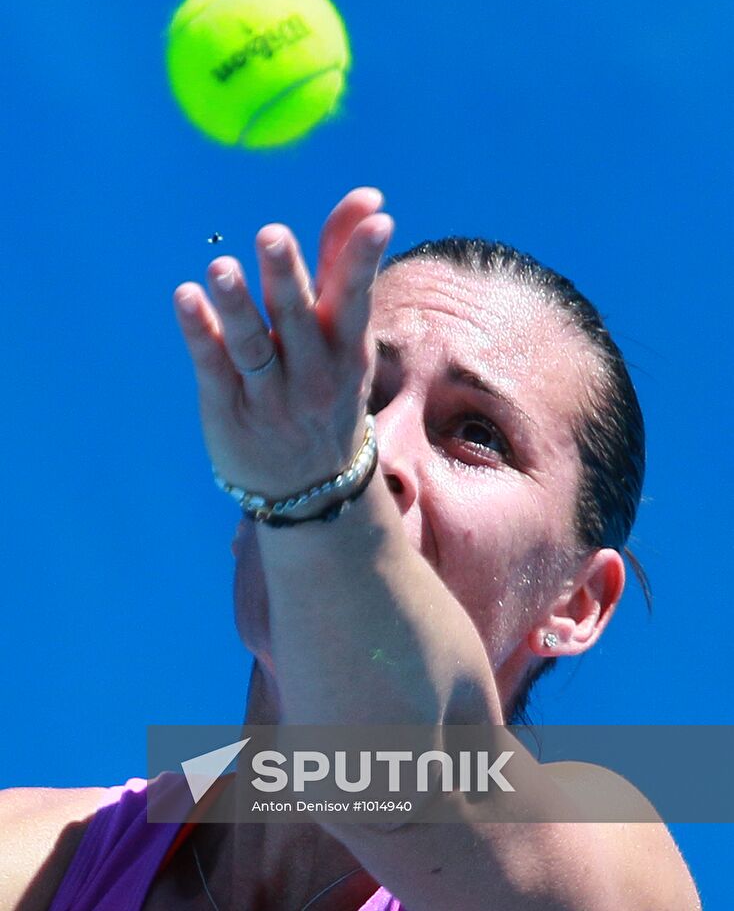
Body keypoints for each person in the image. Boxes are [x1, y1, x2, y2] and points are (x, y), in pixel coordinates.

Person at [1, 187, 701, 910]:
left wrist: (319, 494)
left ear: (577, 603)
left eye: (478, 434)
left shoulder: (610, 867)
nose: (374, 450)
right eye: (355, 398)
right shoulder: (26, 857)